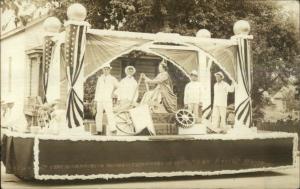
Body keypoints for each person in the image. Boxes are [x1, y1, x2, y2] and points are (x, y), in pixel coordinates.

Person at [94, 65, 119, 135]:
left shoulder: (112, 78)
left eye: (107, 69)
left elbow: (118, 86)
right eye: (104, 69)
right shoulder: (100, 78)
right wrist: (96, 99)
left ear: (109, 70)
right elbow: (97, 89)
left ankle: (113, 130)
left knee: (110, 114)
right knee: (98, 114)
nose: (106, 70)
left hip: (108, 99)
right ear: (102, 70)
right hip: (100, 99)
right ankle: (99, 130)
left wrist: (113, 93)